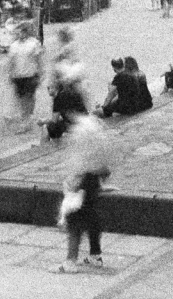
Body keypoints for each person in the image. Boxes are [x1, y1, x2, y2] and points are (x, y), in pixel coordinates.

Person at [54, 115, 111, 273]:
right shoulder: (96, 127)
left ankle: (70, 261)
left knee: (74, 220)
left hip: (83, 179)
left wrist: (73, 182)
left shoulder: (80, 131)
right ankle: (95, 255)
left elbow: (78, 160)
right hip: (94, 178)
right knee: (92, 218)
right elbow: (104, 157)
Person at [7, 22, 44, 133]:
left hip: (30, 75)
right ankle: (26, 118)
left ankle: (26, 120)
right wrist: (10, 73)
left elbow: (38, 59)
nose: (20, 34)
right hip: (18, 75)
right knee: (21, 98)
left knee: (28, 97)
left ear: (27, 32)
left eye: (22, 31)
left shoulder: (34, 43)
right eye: (18, 32)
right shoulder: (14, 46)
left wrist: (41, 71)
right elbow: (11, 61)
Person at [39, 61, 89, 141]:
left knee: (46, 127)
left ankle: (43, 145)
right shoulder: (71, 92)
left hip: (74, 125)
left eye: (49, 88)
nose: (48, 91)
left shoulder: (58, 99)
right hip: (85, 121)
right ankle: (54, 141)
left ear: (55, 88)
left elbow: (54, 120)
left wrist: (43, 121)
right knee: (59, 125)